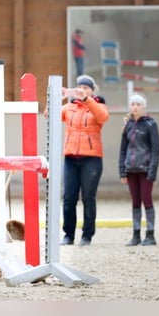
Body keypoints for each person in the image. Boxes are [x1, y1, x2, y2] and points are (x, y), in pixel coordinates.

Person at [60, 74, 109, 246]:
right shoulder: (68, 107)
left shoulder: (98, 105)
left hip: (91, 158)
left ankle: (87, 235)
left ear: (92, 90)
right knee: (68, 198)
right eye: (79, 87)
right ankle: (68, 235)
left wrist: (87, 99)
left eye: (86, 87)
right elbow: (48, 116)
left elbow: (102, 117)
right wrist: (57, 98)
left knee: (88, 197)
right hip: (70, 158)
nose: (82, 90)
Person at [119, 93, 159, 246]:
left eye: (138, 104)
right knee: (135, 201)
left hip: (145, 169)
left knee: (147, 200)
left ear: (144, 107)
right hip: (131, 170)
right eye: (133, 104)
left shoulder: (151, 124)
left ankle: (150, 234)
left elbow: (156, 149)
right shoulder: (128, 125)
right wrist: (122, 170)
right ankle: (136, 234)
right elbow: (123, 150)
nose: (135, 107)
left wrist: (153, 171)